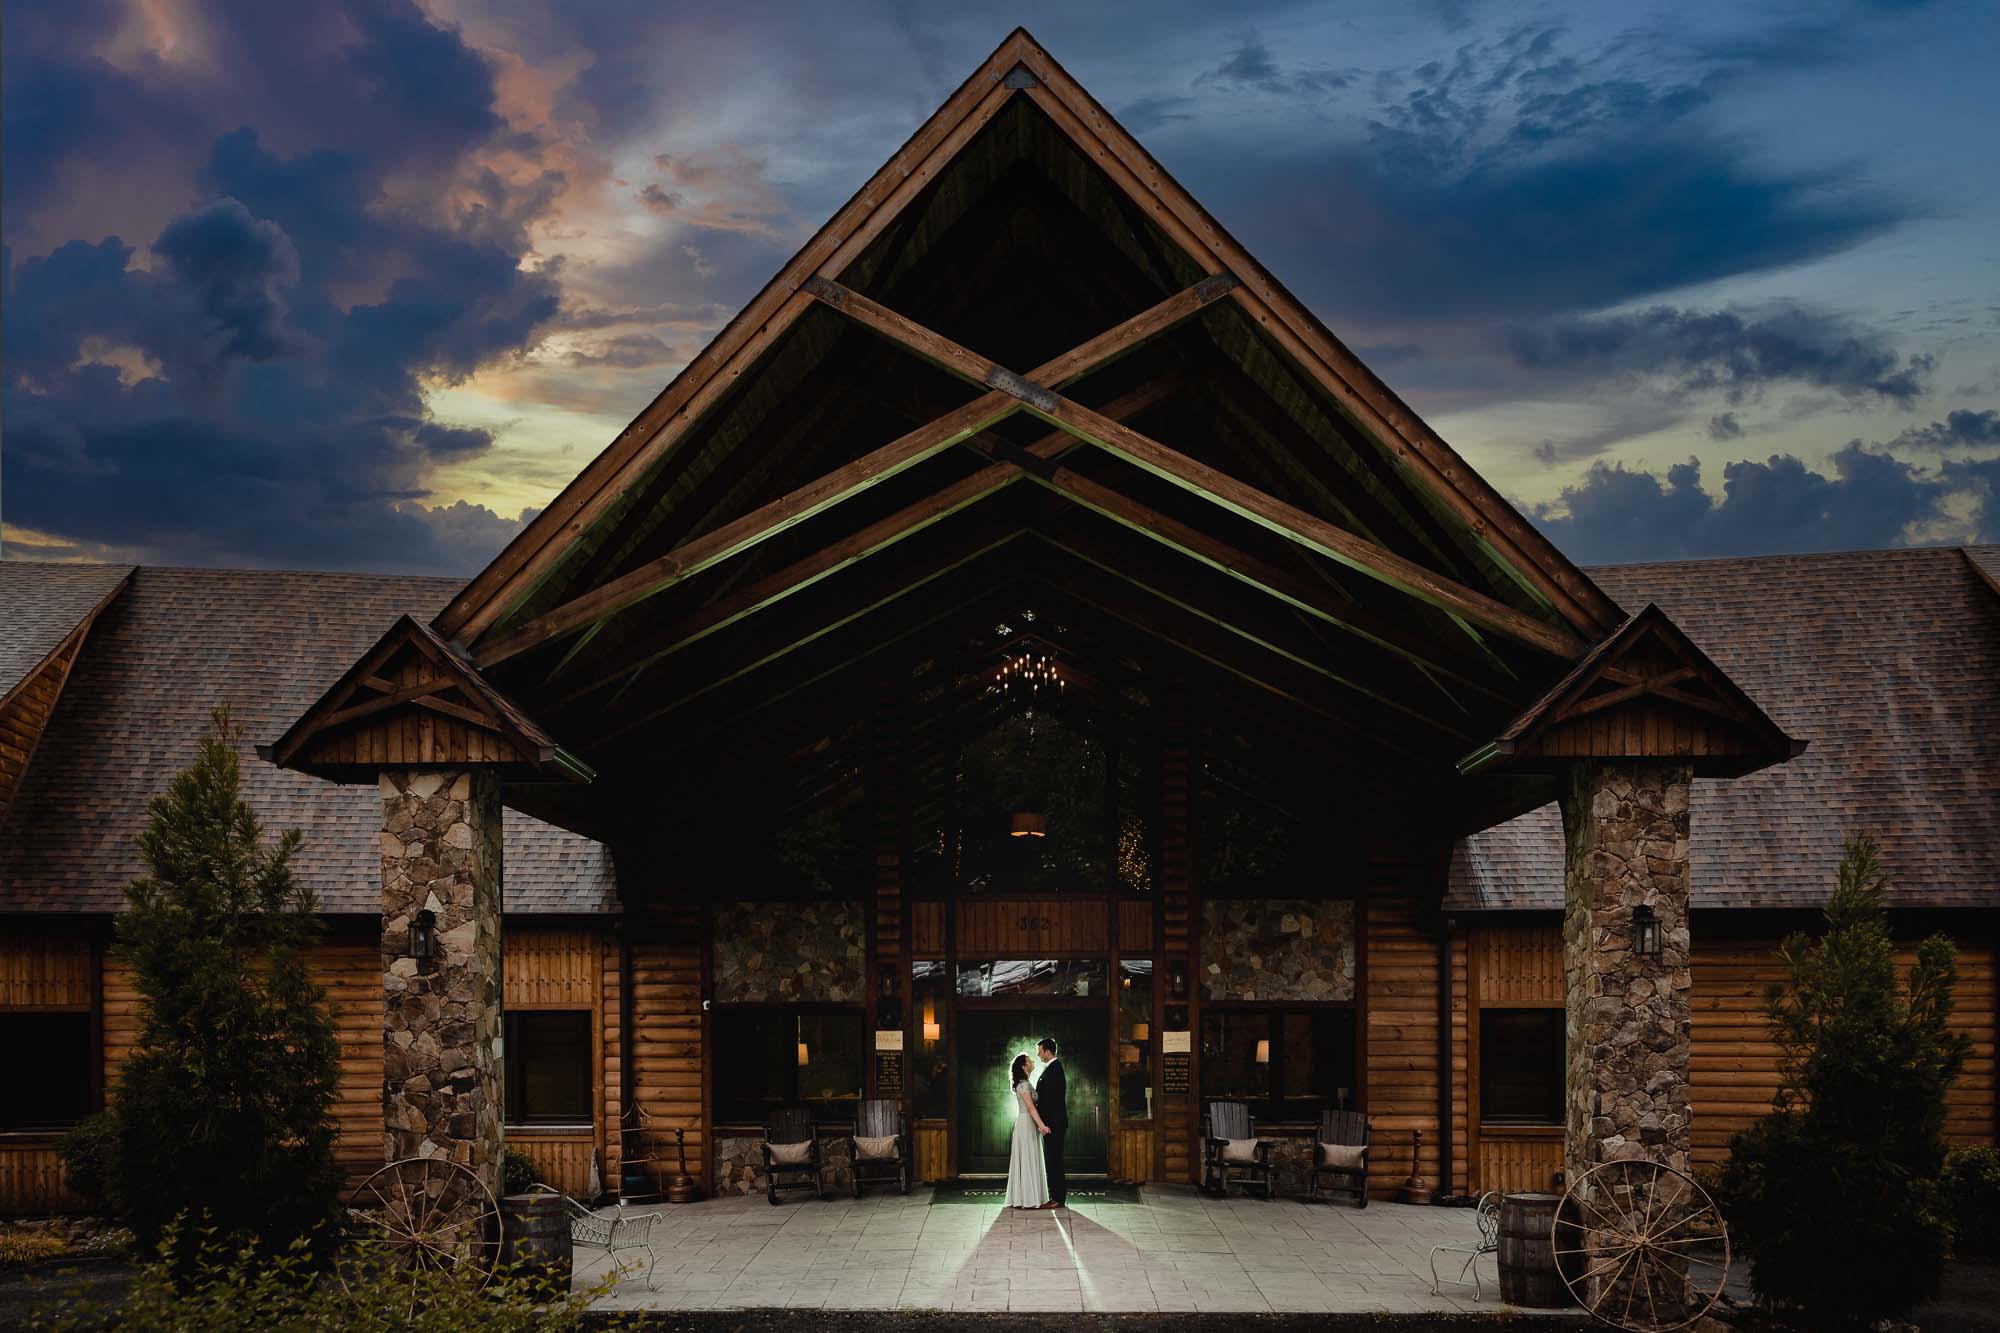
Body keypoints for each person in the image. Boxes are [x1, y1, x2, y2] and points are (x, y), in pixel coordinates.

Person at [1004, 1052, 1051, 1208]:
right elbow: (1031, 1108)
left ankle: (1028, 1196)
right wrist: (1042, 1125)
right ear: (1024, 1066)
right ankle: (1027, 1199)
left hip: (1029, 1123)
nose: (1033, 1062)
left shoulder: (1026, 1082)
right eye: (1030, 1061)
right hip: (1026, 1124)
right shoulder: (1023, 1085)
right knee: (1026, 1158)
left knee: (1030, 1157)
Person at [1034, 1037, 1067, 1208]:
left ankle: (1058, 1198)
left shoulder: (1055, 1070)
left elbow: (1051, 1101)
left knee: (1055, 1161)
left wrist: (1044, 1124)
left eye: (1039, 1051)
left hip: (1054, 1124)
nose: (1038, 1055)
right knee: (1053, 1160)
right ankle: (1056, 1196)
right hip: (1052, 1123)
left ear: (1047, 1051)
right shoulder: (1052, 1068)